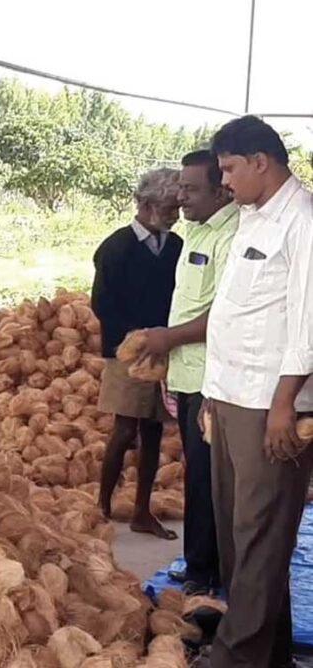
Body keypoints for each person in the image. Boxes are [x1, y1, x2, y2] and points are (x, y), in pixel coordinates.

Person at [195, 117, 313, 668]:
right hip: (232, 395)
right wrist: (213, 395)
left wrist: (285, 405)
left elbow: (307, 325)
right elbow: (236, 312)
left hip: (271, 402)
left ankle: (235, 658)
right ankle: (272, 656)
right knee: (240, 536)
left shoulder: (303, 220)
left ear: (260, 162)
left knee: (262, 536)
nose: (226, 182)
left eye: (229, 169)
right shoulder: (250, 217)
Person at [138, 151, 238, 595]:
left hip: (212, 379)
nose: (181, 197)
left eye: (192, 189)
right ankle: (201, 562)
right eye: (181, 187)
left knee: (209, 479)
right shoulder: (196, 231)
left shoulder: (232, 235)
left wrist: (168, 339)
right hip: (185, 373)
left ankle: (205, 570)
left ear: (221, 190)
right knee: (199, 475)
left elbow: (223, 314)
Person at [91, 168, 182, 540]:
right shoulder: (116, 247)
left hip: (163, 350)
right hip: (126, 353)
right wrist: (133, 339)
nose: (175, 214)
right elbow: (102, 303)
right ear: (146, 205)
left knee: (154, 430)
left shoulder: (175, 247)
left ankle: (142, 510)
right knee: (125, 429)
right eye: (168, 207)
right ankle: (102, 506)